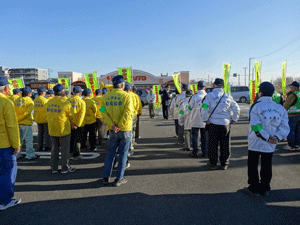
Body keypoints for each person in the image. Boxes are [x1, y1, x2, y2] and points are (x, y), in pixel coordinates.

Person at [245, 82, 289, 196]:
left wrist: (266, 137)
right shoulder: (280, 108)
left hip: (256, 140)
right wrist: (277, 137)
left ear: (260, 93)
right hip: (271, 142)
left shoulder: (255, 106)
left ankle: (254, 187)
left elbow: (255, 125)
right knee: (267, 164)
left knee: (253, 163)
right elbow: (285, 127)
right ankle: (265, 187)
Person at [101, 75, 133, 187]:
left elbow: (102, 111)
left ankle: (105, 177)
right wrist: (119, 125)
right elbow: (128, 113)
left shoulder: (105, 97)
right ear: (123, 85)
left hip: (112, 129)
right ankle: (119, 178)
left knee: (110, 153)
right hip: (125, 129)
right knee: (123, 154)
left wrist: (112, 125)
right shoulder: (127, 96)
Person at [202, 78, 240, 170]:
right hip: (225, 124)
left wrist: (205, 119)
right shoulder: (228, 96)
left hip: (213, 123)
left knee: (212, 144)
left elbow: (204, 107)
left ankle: (213, 163)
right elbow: (237, 109)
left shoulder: (209, 95)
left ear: (214, 85)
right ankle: (224, 163)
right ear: (223, 86)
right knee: (225, 144)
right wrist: (234, 119)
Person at [0, 76, 21, 210]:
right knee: (7, 172)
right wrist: (16, 144)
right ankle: (5, 201)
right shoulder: (6, 102)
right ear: (6, 88)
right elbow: (12, 126)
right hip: (4, 144)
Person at [45, 84, 75, 174]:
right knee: (64, 150)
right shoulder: (65, 102)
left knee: (54, 149)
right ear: (62, 92)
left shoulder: (48, 102)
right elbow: (72, 116)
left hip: (52, 129)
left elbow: (47, 115)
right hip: (63, 129)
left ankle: (54, 168)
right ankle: (65, 168)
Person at [15, 87, 39, 160]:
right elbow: (28, 113)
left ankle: (17, 155)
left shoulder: (17, 100)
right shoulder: (30, 101)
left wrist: (16, 119)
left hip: (17, 123)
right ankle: (30, 155)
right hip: (25, 123)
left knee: (19, 140)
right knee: (28, 140)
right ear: (29, 94)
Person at [189, 81, 207, 158]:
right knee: (205, 137)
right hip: (205, 120)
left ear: (197, 87)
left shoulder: (194, 97)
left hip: (195, 119)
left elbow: (189, 107)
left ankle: (195, 152)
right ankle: (205, 153)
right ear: (205, 87)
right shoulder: (207, 96)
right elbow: (208, 108)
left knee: (194, 137)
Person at [69, 86, 86, 160]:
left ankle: (70, 153)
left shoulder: (68, 100)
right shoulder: (82, 102)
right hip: (79, 124)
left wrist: (70, 123)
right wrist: (77, 125)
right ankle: (76, 154)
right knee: (78, 140)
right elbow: (82, 115)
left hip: (69, 123)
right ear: (80, 93)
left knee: (71, 138)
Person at [283, 81, 300, 150]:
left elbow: (285, 105)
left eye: (291, 87)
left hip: (292, 115)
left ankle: (291, 145)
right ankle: (298, 145)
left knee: (290, 131)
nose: (290, 88)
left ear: (295, 87)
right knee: (298, 131)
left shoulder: (293, 95)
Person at [34, 87, 52, 152]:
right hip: (45, 119)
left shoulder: (35, 100)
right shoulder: (45, 101)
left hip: (38, 119)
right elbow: (48, 111)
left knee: (40, 134)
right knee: (47, 134)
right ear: (42, 93)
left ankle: (40, 147)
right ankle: (47, 147)